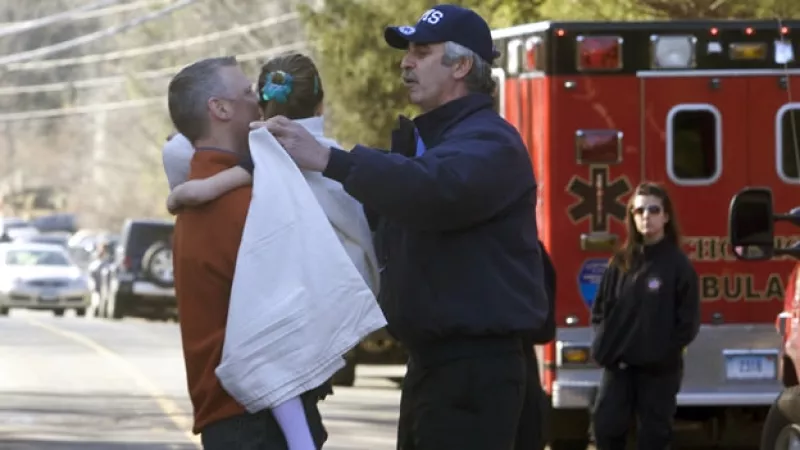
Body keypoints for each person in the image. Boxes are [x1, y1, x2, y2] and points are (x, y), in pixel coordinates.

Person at [260, 5, 550, 449]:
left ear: (462, 65)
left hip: (475, 371)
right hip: (432, 368)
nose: (406, 62)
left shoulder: (491, 142)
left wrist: (330, 159)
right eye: (407, 51)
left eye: (422, 51)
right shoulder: (432, 143)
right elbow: (382, 209)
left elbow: (434, 190)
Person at [166, 56, 334, 450]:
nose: (259, 102)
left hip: (237, 417)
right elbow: (279, 324)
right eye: (246, 93)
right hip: (257, 418)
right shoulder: (245, 204)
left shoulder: (200, 191)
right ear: (219, 109)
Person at [590, 182, 700, 450]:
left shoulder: (678, 265)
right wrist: (607, 345)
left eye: (653, 209)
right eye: (639, 211)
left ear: (666, 216)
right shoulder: (620, 263)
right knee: (605, 430)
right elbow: (600, 311)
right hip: (619, 368)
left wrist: (662, 352)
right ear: (632, 217)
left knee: (654, 438)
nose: (646, 216)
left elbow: (688, 323)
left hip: (658, 372)